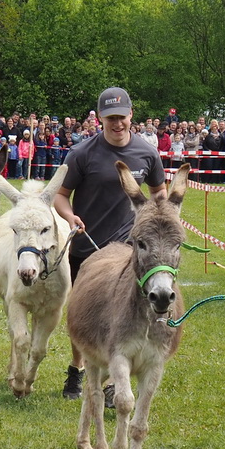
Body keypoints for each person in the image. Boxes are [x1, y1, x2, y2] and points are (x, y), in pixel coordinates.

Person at [51, 86, 166, 399]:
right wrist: (70, 217)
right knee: (85, 314)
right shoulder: (82, 154)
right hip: (87, 247)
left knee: (128, 313)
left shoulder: (147, 152)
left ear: (131, 115)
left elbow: (159, 194)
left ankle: (118, 377)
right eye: (110, 118)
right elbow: (61, 196)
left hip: (130, 252)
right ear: (100, 119)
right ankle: (77, 371)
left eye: (121, 117)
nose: (117, 124)